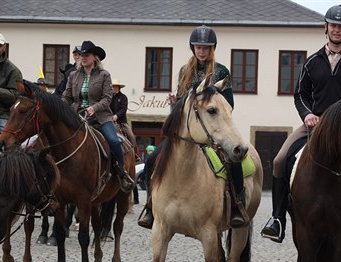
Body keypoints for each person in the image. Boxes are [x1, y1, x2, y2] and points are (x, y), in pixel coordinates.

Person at [260, 5, 341, 250]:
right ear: (326, 27)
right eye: (333, 25)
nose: (337, 30)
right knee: (279, 159)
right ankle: (277, 219)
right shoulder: (312, 62)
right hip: (316, 126)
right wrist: (306, 115)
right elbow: (300, 94)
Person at [138, 26, 245, 229]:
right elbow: (180, 101)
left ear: (212, 48)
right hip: (186, 130)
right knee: (152, 159)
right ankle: (151, 206)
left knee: (234, 159)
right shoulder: (185, 71)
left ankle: (238, 207)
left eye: (206, 47)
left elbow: (228, 104)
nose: (201, 51)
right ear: (193, 48)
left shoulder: (222, 71)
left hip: (213, 127)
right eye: (198, 47)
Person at [62, 40, 135, 193]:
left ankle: (122, 173)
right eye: (81, 55)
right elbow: (66, 97)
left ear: (95, 57)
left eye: (86, 55)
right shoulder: (73, 76)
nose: (83, 58)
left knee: (114, 141)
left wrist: (94, 108)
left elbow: (107, 98)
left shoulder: (104, 75)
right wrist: (60, 109)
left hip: (101, 117)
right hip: (77, 117)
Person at [110, 79, 140, 160]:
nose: (113, 88)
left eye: (115, 86)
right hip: (109, 121)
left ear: (119, 87)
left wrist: (116, 116)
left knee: (131, 136)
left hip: (121, 122)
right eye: (112, 86)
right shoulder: (108, 97)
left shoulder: (123, 97)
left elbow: (123, 109)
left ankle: (135, 155)